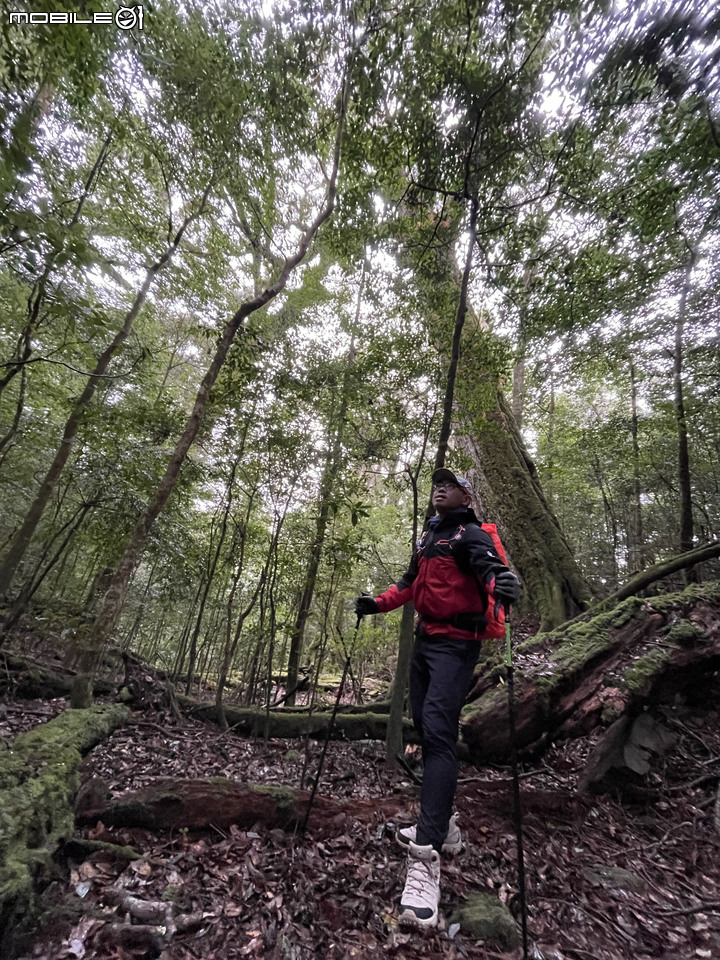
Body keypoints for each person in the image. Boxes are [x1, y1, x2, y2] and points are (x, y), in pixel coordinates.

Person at [355, 468, 520, 929]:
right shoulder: (430, 538)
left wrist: (505, 585)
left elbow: (493, 573)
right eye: (436, 483)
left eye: (450, 483)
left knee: (441, 735)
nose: (439, 488)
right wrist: (376, 603)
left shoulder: (470, 535)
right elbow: (409, 585)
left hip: (456, 646)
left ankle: (426, 858)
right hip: (426, 643)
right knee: (426, 730)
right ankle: (444, 823)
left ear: (468, 493)